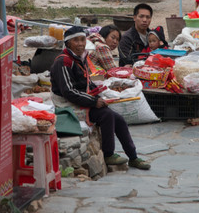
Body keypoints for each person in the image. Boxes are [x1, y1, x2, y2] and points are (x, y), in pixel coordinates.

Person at [50, 26, 150, 170]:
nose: (80, 43)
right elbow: (69, 92)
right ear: (68, 43)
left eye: (82, 40)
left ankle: (133, 157)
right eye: (75, 40)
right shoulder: (63, 62)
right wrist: (94, 101)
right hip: (68, 106)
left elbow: (87, 83)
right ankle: (108, 154)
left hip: (80, 100)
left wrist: (100, 95)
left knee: (120, 119)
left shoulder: (79, 58)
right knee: (107, 115)